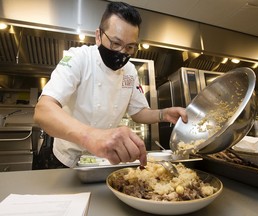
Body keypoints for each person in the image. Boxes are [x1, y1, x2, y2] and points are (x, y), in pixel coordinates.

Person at [34, 1, 187, 168]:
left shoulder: (130, 71)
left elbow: (138, 112)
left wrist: (164, 114)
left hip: (102, 161)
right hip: (65, 160)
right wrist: (92, 137)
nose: (122, 52)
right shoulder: (79, 58)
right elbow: (43, 110)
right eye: (115, 43)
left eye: (130, 47)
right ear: (98, 36)